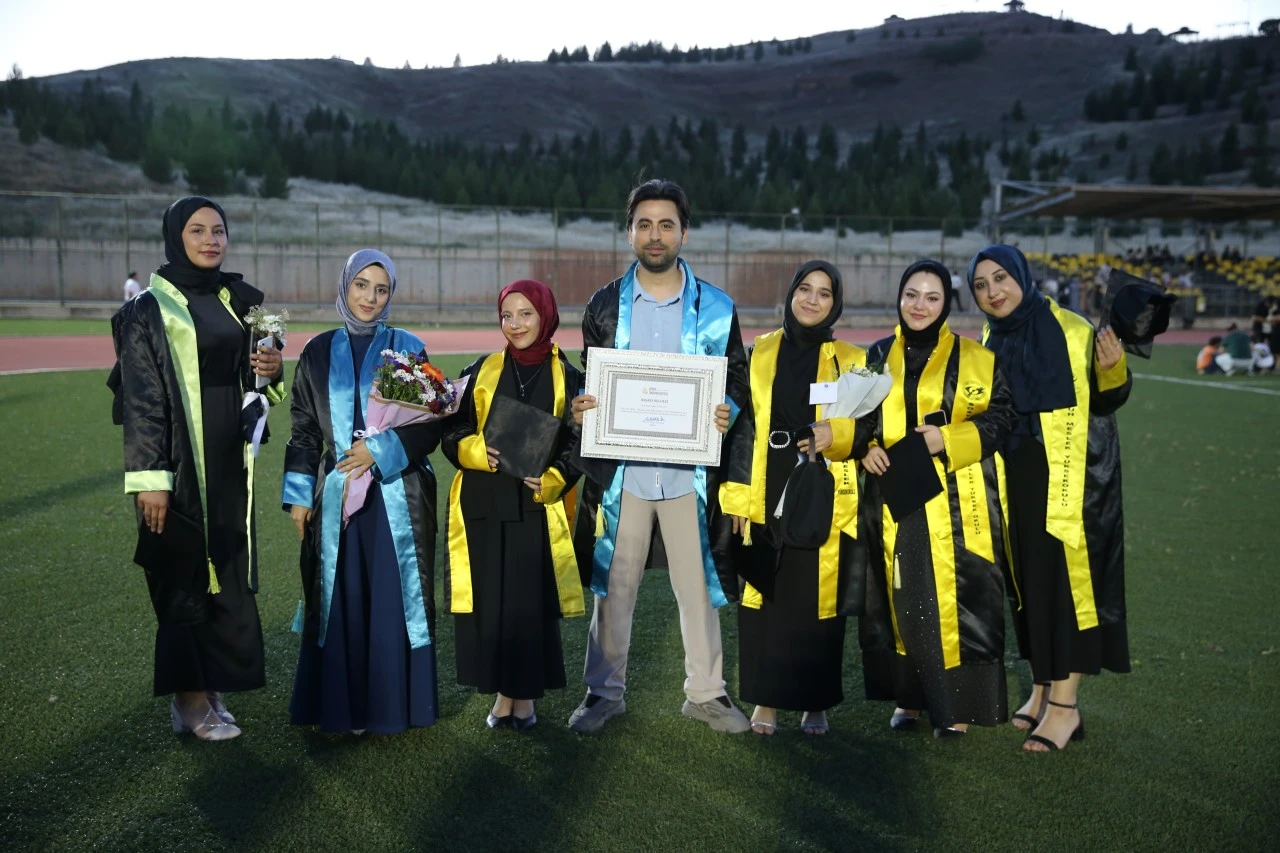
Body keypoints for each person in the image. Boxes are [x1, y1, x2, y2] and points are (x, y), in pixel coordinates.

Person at [567, 178, 752, 734]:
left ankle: (706, 693)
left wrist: (727, 409)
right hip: (623, 474)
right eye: (644, 224)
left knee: (697, 588)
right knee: (614, 585)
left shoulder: (716, 307)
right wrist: (584, 406)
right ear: (629, 232)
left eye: (666, 224)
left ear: (684, 233)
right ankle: (603, 693)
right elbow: (593, 380)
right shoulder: (603, 305)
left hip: (689, 475)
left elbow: (736, 379)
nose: (655, 235)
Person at [108, 196, 284, 741]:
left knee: (225, 568)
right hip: (180, 461)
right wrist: (152, 479)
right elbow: (142, 401)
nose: (211, 239)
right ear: (174, 237)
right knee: (182, 573)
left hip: (229, 460)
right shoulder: (146, 311)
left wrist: (271, 369)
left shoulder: (241, 301)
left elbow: (257, 381)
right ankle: (187, 701)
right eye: (197, 230)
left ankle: (212, 686)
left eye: (218, 230)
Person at [969, 244, 1131, 753]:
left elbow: (1107, 400)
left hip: (1068, 477)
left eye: (1001, 278)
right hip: (1015, 475)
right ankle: (1042, 686)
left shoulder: (1072, 329)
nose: (993, 291)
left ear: (1022, 276)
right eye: (981, 285)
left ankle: (1066, 706)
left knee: (1065, 584)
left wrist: (1113, 369)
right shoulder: (991, 335)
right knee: (1030, 582)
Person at [853, 260, 1015, 738]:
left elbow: (1002, 418)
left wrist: (948, 438)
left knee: (958, 600)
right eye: (911, 294)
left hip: (957, 499)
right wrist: (866, 446)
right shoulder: (877, 355)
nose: (919, 305)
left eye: (931, 297)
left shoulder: (976, 358)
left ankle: (959, 705)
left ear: (946, 304)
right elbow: (859, 417)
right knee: (905, 596)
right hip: (895, 497)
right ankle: (910, 699)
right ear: (899, 298)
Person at [283, 249, 442, 734]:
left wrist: (379, 451)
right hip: (337, 497)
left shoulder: (406, 346)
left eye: (381, 289)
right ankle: (343, 707)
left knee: (392, 599)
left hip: (395, 495)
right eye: (361, 285)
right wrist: (299, 496)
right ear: (345, 285)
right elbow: (304, 432)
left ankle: (391, 707)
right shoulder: (317, 351)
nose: (370, 297)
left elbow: (430, 425)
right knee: (340, 594)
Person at [720, 260, 863, 737]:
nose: (812, 300)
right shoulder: (760, 350)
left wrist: (837, 434)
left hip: (820, 482)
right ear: (791, 294)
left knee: (816, 595)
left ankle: (814, 701)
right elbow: (741, 427)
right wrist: (738, 496)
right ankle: (766, 699)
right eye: (805, 289)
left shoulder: (852, 360)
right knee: (765, 588)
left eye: (824, 293)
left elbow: (869, 427)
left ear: (835, 304)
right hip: (767, 477)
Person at [442, 279, 586, 731]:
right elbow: (450, 430)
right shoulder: (480, 369)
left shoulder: (571, 378)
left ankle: (522, 698)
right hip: (483, 501)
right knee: (493, 601)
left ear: (546, 315)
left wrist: (556, 478)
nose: (515, 324)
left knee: (527, 603)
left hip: (534, 504)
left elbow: (580, 442)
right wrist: (472, 450)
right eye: (507, 315)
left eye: (526, 313)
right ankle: (502, 693)